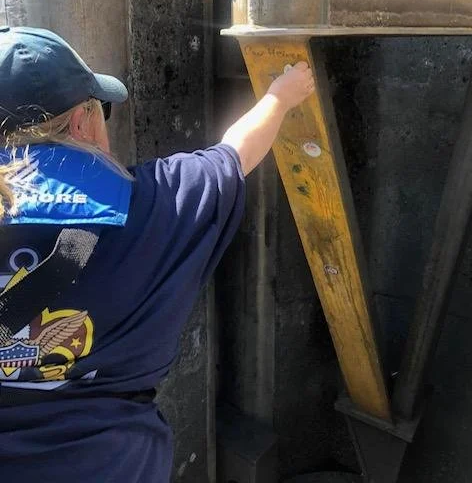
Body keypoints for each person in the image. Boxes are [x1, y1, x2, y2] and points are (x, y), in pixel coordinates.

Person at [0, 26, 314, 482]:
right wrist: (281, 97)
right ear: (81, 122)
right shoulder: (153, 209)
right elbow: (236, 153)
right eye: (102, 110)